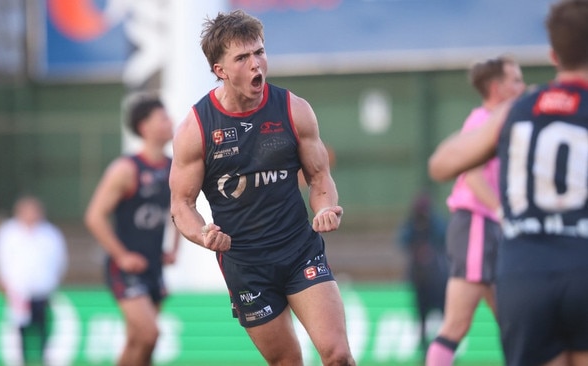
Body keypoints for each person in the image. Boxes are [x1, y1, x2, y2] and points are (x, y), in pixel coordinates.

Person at [169, 9, 356, 366]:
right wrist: (203, 234)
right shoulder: (196, 129)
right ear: (220, 70)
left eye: (259, 52)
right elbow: (181, 205)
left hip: (300, 251)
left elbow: (319, 178)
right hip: (246, 264)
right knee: (287, 361)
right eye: (242, 57)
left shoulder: (293, 109)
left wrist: (325, 208)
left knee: (339, 355)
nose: (256, 64)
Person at [428, 1, 588, 364]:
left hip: (524, 273)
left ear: (554, 54)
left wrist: (505, 115)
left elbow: (440, 164)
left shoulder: (517, 111)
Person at [425, 55, 526, 365]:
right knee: (457, 324)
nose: (522, 87)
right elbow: (473, 174)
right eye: (516, 81)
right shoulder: (484, 122)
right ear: (497, 88)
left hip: (491, 228)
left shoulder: (502, 121)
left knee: (515, 323)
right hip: (478, 225)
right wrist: (500, 210)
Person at [84, 96, 180, 366]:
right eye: (162, 118)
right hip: (126, 268)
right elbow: (94, 216)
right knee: (149, 334)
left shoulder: (174, 167)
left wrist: (174, 249)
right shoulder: (126, 169)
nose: (170, 122)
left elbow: (180, 209)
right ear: (144, 127)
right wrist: (122, 255)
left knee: (140, 344)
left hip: (153, 266)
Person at [0, 195, 68, 365]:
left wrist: (52, 283)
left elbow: (60, 260)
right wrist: (4, 281)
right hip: (18, 290)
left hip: (42, 289)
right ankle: (21, 360)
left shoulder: (51, 233)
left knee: (42, 326)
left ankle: (44, 359)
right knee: (20, 328)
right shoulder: (7, 232)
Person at [397, 191, 448, 358]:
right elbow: (402, 240)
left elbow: (443, 236)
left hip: (437, 281)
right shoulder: (412, 225)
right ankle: (427, 353)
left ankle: (444, 352)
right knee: (422, 319)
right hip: (421, 282)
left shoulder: (434, 224)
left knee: (443, 318)